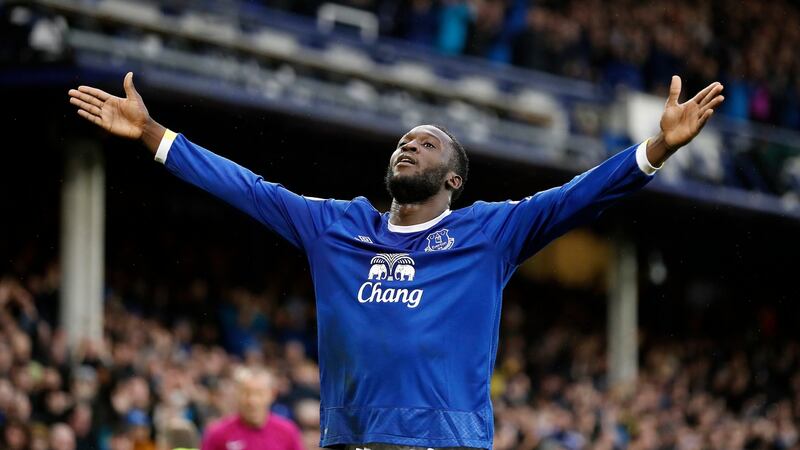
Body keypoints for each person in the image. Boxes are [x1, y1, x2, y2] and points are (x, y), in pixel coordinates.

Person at [68, 72, 724, 450]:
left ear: (453, 180)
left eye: (427, 144)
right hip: (351, 438)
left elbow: (577, 197)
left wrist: (656, 149)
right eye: (404, 142)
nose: (408, 146)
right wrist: (152, 134)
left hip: (447, 443)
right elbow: (248, 188)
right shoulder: (335, 226)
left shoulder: (489, 232)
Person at [200, 367, 304, 450]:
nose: (252, 401)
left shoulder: (288, 432)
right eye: (246, 393)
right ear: (237, 394)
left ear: (272, 395)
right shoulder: (217, 433)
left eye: (259, 394)